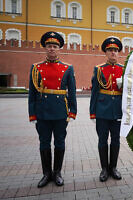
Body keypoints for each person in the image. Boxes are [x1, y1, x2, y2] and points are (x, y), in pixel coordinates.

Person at [28, 31, 77, 188]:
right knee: (44, 143)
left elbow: (72, 92)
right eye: (49, 46)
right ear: (45, 48)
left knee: (60, 143)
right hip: (42, 112)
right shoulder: (36, 68)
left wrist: (72, 111)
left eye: (55, 46)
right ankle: (46, 173)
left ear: (59, 49)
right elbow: (32, 93)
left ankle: (57, 173)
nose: (51, 49)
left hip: (60, 112)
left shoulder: (67, 68)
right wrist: (32, 114)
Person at [90, 37, 123, 182]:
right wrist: (93, 112)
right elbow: (94, 92)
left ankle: (113, 167)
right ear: (106, 53)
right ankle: (104, 169)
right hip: (102, 110)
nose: (113, 53)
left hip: (118, 111)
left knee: (115, 140)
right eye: (110, 50)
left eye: (115, 50)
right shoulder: (99, 69)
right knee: (102, 140)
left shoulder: (123, 69)